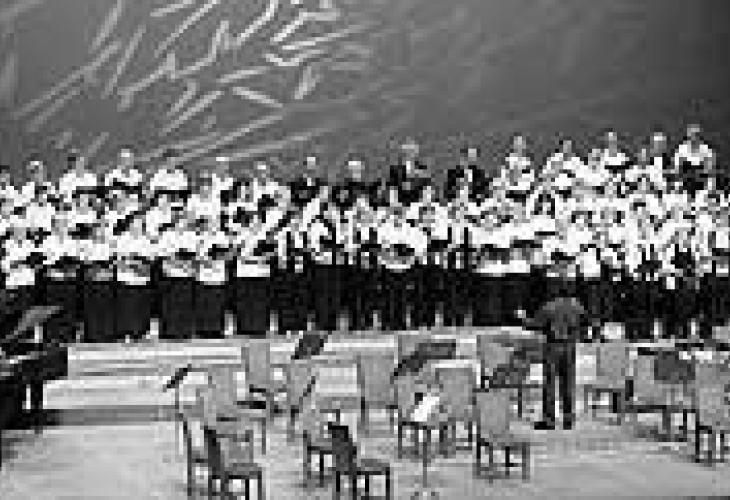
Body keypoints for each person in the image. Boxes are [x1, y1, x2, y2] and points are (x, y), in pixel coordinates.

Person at [529, 281, 592, 431]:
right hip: (570, 346)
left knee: (550, 384)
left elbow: (536, 324)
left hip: (553, 346)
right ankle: (568, 419)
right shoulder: (576, 306)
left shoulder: (550, 306)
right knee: (568, 383)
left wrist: (522, 318)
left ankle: (549, 420)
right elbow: (587, 322)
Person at [114, 214, 154, 341]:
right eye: (135, 225)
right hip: (126, 278)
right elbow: (118, 259)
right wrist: (130, 262)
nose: (137, 228)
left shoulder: (146, 240)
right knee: (127, 307)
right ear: (130, 225)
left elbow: (151, 258)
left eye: (140, 225)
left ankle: (141, 332)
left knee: (141, 307)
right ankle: (126, 332)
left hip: (142, 279)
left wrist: (140, 263)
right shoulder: (122, 239)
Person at [673, 123, 715, 197]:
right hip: (685, 183)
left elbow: (710, 171)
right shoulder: (681, 149)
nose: (694, 138)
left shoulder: (706, 150)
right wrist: (677, 186)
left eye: (696, 135)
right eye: (691, 135)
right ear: (688, 136)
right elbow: (677, 170)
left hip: (701, 183)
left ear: (699, 136)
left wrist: (709, 188)